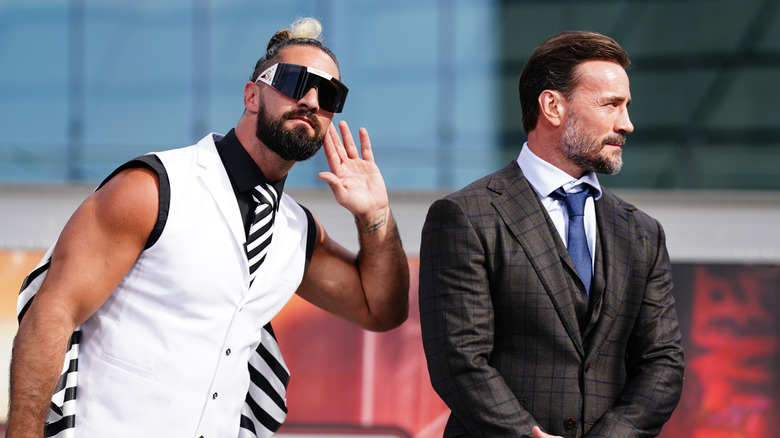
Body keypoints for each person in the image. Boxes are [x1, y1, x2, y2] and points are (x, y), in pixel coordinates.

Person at [8, 17, 409, 438]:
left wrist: (374, 215)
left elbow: (381, 309)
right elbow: (50, 315)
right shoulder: (154, 188)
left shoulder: (296, 230)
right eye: (294, 81)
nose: (310, 100)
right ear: (252, 95)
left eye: (328, 93)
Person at [418, 31, 684, 438]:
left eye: (626, 106)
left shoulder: (643, 233)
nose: (626, 124)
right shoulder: (465, 216)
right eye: (611, 105)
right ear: (553, 106)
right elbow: (458, 360)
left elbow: (662, 363)